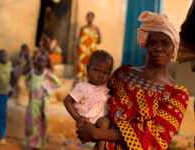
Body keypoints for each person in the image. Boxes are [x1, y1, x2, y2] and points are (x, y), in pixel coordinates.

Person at [77, 11, 190, 150]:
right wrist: (85, 122)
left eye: (165, 43)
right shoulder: (123, 74)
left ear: (173, 50)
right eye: (153, 42)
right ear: (145, 45)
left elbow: (155, 138)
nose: (158, 48)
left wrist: (99, 134)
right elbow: (98, 99)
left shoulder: (177, 94)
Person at [64, 50, 114, 150]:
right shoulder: (82, 87)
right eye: (96, 70)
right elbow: (67, 101)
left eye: (105, 73)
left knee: (105, 122)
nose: (100, 75)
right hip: (86, 126)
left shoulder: (107, 88)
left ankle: (101, 147)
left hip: (101, 128)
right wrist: (78, 118)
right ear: (87, 69)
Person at [25, 54, 60, 150]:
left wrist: (47, 88)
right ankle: (31, 144)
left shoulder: (47, 73)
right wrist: (30, 87)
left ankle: (39, 144)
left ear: (46, 63)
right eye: (39, 60)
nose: (41, 63)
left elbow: (58, 83)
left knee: (41, 123)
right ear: (36, 61)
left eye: (43, 61)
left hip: (43, 103)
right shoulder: (32, 72)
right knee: (31, 124)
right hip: (32, 102)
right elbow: (26, 80)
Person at [0, 49, 12, 145]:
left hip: (3, 94)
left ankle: (2, 137)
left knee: (2, 115)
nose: (5, 57)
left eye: (6, 55)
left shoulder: (9, 64)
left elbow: (12, 76)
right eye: (2, 55)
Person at [77, 11, 102, 80]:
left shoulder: (96, 29)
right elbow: (79, 40)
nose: (89, 19)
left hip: (92, 51)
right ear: (86, 18)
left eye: (91, 17)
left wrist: (92, 42)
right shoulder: (83, 28)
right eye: (88, 17)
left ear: (93, 18)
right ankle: (82, 80)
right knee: (82, 66)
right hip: (83, 52)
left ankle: (90, 78)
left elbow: (99, 41)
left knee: (91, 64)